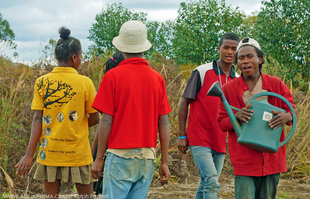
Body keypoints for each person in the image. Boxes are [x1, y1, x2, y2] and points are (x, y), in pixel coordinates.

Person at [15, 27, 99, 199]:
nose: (81, 59)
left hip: (50, 152)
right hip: (79, 153)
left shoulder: (42, 82)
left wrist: (29, 155)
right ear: (74, 57)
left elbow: (37, 119)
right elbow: (95, 117)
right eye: (81, 56)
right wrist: (79, 124)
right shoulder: (85, 83)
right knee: (86, 197)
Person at [91, 20, 171, 199]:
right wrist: (164, 162)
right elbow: (164, 123)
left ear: (121, 47)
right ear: (144, 47)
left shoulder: (112, 77)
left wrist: (98, 159)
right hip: (147, 158)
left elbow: (106, 121)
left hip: (120, 157)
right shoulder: (157, 79)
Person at [217, 38, 295, 199]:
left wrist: (285, 117)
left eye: (250, 56)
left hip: (272, 159)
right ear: (237, 63)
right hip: (244, 160)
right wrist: (236, 117)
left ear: (260, 59)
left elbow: (291, 111)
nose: (245, 61)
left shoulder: (276, 84)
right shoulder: (229, 89)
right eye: (241, 58)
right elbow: (221, 122)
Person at [178, 32, 240, 198]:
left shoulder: (238, 79)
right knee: (212, 182)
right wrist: (182, 135)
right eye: (226, 47)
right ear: (219, 48)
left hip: (221, 139)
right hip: (199, 137)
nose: (230, 52)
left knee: (207, 184)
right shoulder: (202, 71)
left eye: (234, 49)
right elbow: (184, 103)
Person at [91, 51, 124, 195]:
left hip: (106, 143)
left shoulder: (105, 87)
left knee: (106, 187)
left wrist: (95, 151)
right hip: (121, 144)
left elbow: (102, 124)